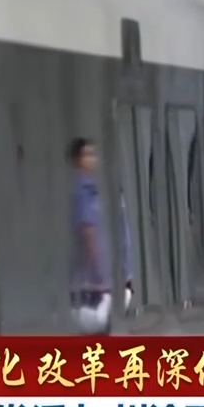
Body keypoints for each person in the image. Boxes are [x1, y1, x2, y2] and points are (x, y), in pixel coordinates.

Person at [67, 138, 133, 334]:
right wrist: (99, 271)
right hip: (92, 278)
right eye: (87, 155)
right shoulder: (82, 191)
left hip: (99, 274)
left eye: (93, 154)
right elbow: (87, 230)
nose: (92, 159)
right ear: (76, 160)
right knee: (97, 325)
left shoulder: (94, 190)